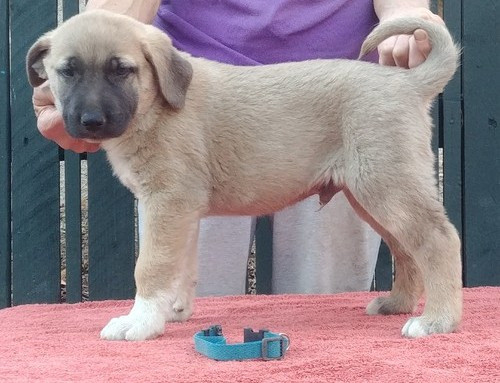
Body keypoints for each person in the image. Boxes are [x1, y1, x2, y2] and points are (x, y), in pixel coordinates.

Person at [33, 0, 445, 296]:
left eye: (117, 70)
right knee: (193, 307)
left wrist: (403, 12)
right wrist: (96, 41)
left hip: (335, 95)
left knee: (325, 301)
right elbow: (118, 13)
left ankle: (425, 301)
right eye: (67, 72)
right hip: (192, 97)